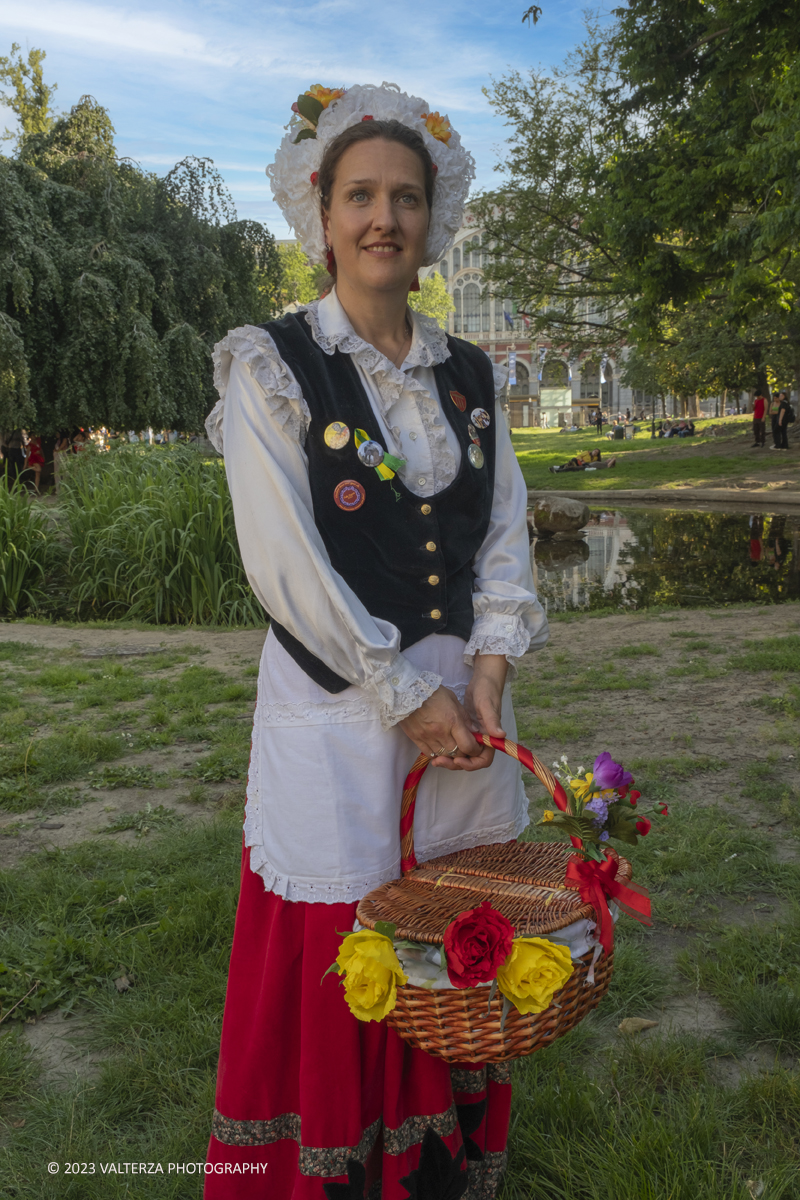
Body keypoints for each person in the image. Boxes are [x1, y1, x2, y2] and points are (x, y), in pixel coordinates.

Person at [202, 84, 548, 1200]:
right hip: (344, 703)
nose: (382, 218)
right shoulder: (270, 364)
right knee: (348, 925)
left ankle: (437, 1160)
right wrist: (401, 692)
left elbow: (502, 531)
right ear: (322, 207)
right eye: (360, 195)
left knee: (449, 923)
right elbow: (284, 561)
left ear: (431, 216)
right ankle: (338, 1169)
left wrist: (488, 669)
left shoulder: (469, 374)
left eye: (404, 195)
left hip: (465, 707)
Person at [549, 447, 617, 472]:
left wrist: (613, 459)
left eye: (609, 460)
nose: (608, 459)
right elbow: (579, 456)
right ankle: (558, 469)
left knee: (572, 468)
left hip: (587, 466)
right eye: (595, 451)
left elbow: (609, 464)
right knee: (572, 464)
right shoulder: (587, 453)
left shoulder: (605, 465)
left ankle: (557, 470)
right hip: (584, 464)